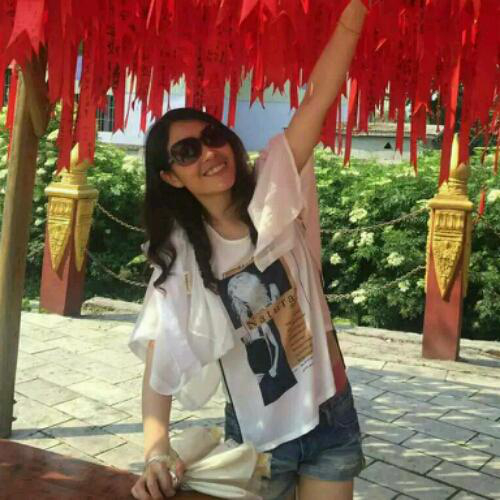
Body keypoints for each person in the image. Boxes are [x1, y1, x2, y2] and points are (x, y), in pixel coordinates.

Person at [129, 1, 367, 499]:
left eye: (212, 137)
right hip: (259, 437)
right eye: (187, 152)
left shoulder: (273, 187)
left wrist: (356, 12)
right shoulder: (181, 257)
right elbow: (160, 354)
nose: (209, 153)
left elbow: (320, 95)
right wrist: (155, 449)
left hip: (330, 411)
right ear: (171, 177)